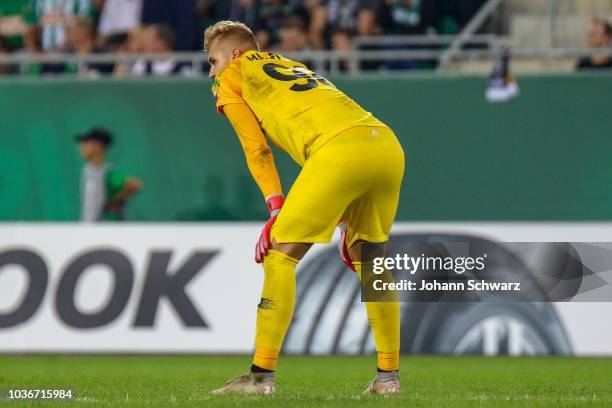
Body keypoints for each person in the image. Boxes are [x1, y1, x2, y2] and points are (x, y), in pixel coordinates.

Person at [205, 21, 404, 395]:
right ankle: (388, 378)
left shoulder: (233, 76)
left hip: (338, 150)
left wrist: (276, 208)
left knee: (279, 254)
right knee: (371, 260)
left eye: (213, 60)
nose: (211, 71)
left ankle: (260, 377)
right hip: (385, 144)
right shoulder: (291, 64)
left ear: (234, 55)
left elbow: (257, 150)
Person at [76, 128, 143, 222]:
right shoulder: (87, 171)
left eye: (86, 143)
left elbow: (136, 184)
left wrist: (114, 201)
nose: (81, 147)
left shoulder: (107, 174)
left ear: (98, 146)